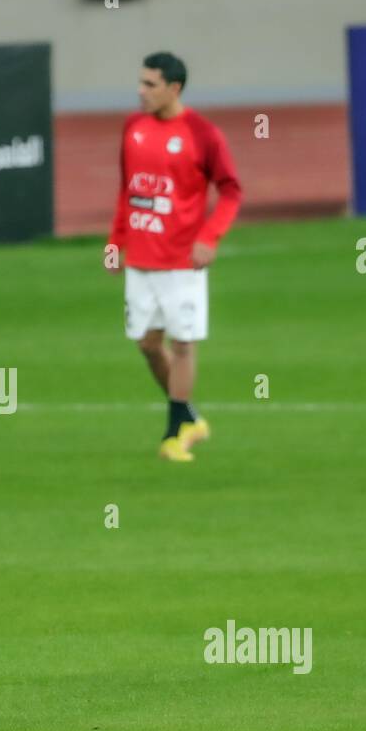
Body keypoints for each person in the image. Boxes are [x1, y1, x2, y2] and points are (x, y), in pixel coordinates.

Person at [105, 51, 241, 461]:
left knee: (182, 344)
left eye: (149, 84)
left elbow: (231, 189)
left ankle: (173, 432)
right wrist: (115, 241)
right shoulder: (133, 128)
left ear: (174, 88)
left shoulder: (202, 134)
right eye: (141, 82)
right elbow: (127, 190)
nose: (140, 91)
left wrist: (210, 236)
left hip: (182, 262)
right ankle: (189, 417)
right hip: (141, 260)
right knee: (147, 344)